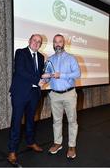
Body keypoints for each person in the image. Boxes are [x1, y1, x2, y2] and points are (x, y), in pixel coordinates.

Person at [8, 34, 45, 164]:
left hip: (34, 94)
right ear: (29, 41)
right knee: (16, 121)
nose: (36, 43)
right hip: (20, 93)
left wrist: (47, 77)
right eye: (34, 40)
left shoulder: (41, 57)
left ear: (40, 44)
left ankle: (30, 142)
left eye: (39, 42)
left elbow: (39, 74)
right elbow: (20, 71)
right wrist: (38, 80)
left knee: (31, 120)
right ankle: (12, 151)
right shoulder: (20, 53)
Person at [42, 34, 81, 159]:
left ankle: (71, 145)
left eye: (60, 42)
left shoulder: (71, 58)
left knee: (72, 121)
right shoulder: (49, 59)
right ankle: (58, 143)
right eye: (55, 42)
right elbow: (49, 77)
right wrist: (44, 80)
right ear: (53, 44)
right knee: (56, 121)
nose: (57, 44)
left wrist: (62, 75)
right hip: (54, 95)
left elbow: (77, 74)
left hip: (69, 93)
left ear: (63, 44)